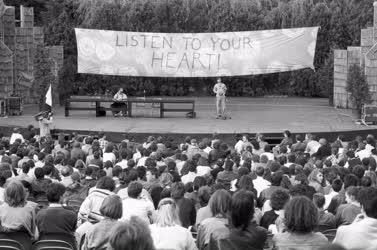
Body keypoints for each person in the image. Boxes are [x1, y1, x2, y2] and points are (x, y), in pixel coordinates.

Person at [36, 183, 77, 249]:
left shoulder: (39, 214)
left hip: (44, 247)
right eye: (64, 195)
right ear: (61, 197)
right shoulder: (71, 214)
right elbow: (74, 231)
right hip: (66, 247)